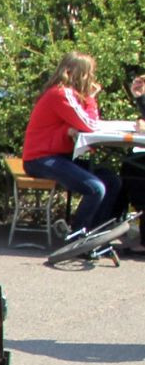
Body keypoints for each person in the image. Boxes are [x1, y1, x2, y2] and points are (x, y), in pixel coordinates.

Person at [22, 52, 122, 234]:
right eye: (89, 73)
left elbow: (81, 123)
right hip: (41, 159)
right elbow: (90, 125)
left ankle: (95, 232)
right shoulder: (61, 94)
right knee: (95, 188)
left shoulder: (69, 95)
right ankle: (78, 236)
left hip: (59, 156)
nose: (91, 78)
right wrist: (91, 98)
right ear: (79, 73)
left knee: (111, 180)